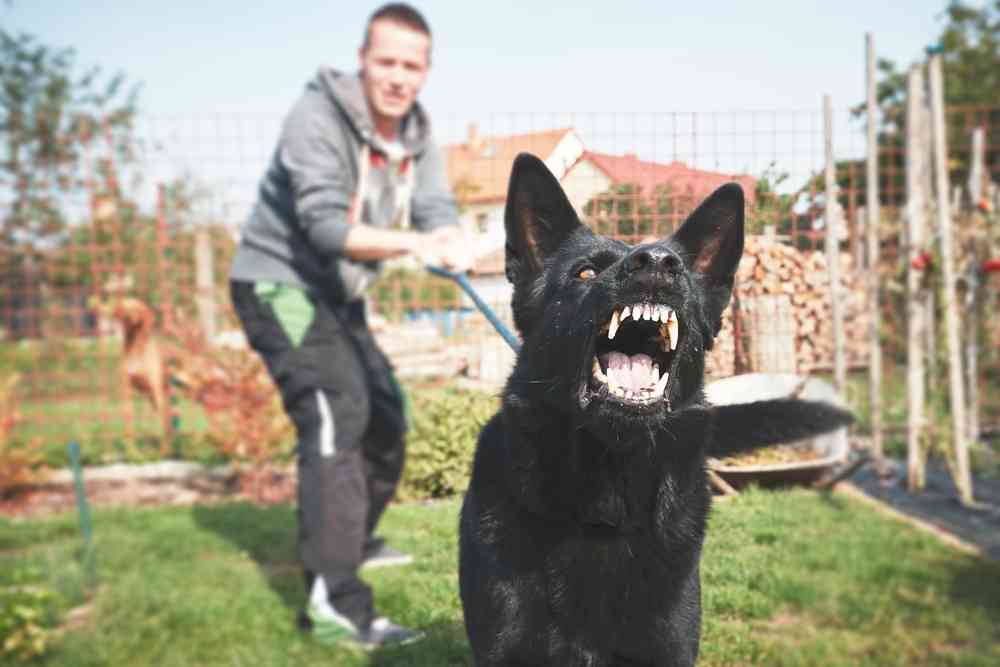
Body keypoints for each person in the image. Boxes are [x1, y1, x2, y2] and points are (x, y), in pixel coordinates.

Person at [229, 3, 468, 648]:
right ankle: (334, 603)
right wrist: (411, 246)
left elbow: (435, 206)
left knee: (387, 415)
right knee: (338, 408)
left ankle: (350, 539)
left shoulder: (417, 134)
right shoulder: (316, 118)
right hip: (281, 283)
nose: (397, 77)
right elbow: (325, 226)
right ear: (363, 60)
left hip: (339, 297)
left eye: (411, 65)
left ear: (426, 71)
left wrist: (447, 237)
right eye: (386, 61)